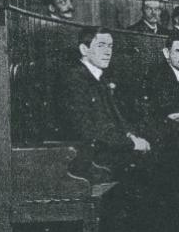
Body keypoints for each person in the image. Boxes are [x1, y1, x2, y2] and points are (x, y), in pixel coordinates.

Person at [55, 28, 151, 167]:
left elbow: (116, 118)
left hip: (105, 149)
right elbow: (87, 130)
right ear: (84, 49)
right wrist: (130, 143)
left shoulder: (100, 77)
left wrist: (130, 135)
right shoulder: (73, 79)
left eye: (110, 46)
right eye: (101, 46)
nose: (108, 52)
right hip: (88, 156)